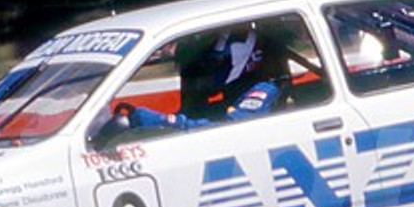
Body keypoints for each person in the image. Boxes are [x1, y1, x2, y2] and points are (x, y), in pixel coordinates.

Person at [116, 27, 286, 132]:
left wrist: (165, 122)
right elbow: (193, 112)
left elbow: (225, 133)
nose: (202, 69)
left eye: (211, 62)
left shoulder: (263, 90)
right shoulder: (235, 88)